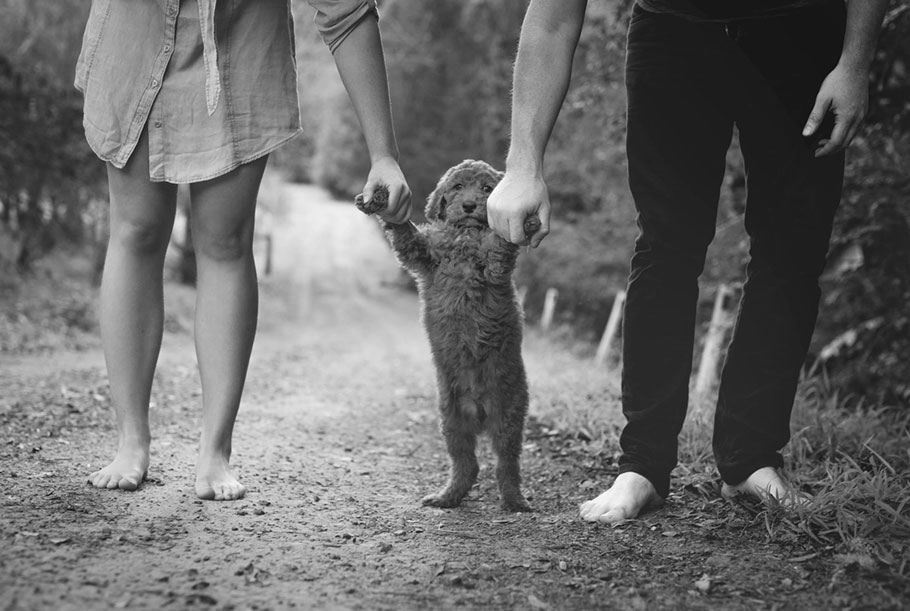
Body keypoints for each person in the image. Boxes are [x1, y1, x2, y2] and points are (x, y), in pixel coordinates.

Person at [487, 0, 889, 522]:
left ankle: (751, 461)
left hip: (804, 33)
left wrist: (855, 63)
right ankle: (643, 467)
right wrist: (523, 164)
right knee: (665, 244)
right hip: (672, 33)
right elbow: (553, 16)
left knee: (793, 249)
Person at [77, 0, 411, 500]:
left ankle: (215, 450)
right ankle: (131, 441)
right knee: (137, 230)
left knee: (225, 239)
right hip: (136, 41)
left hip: (240, 52)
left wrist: (383, 153)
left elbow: (346, 11)